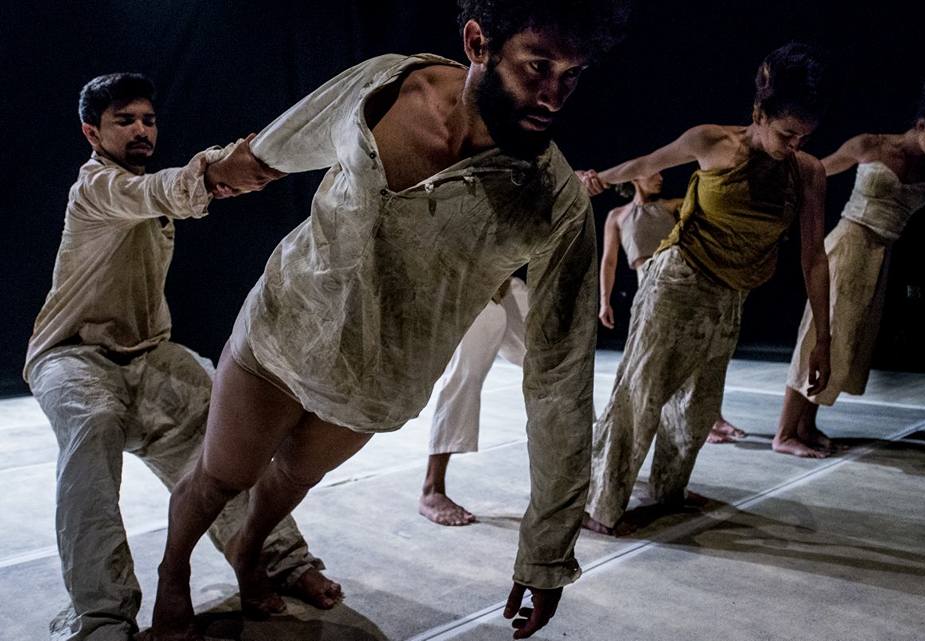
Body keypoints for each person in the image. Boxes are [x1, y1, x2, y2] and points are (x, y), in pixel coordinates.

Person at [146, 2, 631, 639]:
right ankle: (173, 572)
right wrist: (173, 188)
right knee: (220, 476)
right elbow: (264, 155)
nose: (553, 96)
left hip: (376, 378)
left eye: (572, 75)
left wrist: (547, 549)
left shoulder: (553, 200)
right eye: (537, 67)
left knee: (292, 479)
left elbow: (560, 378)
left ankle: (250, 553)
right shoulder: (383, 87)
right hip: (286, 327)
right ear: (478, 43)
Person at [24, 74, 341, 641]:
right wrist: (215, 172)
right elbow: (155, 191)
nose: (141, 130)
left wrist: (229, 174)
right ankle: (102, 616)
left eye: (148, 120)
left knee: (222, 430)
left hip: (150, 355)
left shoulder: (147, 190)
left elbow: (162, 192)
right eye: (125, 120)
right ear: (91, 132)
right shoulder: (95, 188)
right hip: (72, 356)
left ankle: (281, 560)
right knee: (93, 427)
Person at [578, 43, 832, 535]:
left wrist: (823, 337)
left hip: (730, 295)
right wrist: (596, 179)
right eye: (787, 133)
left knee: (697, 409)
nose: (795, 144)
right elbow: (646, 161)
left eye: (804, 136)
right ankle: (599, 503)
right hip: (678, 280)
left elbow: (814, 256)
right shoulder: (713, 141)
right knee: (640, 394)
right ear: (760, 113)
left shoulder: (807, 172)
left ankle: (668, 491)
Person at [775, 71, 925, 457]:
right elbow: (813, 171)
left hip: (879, 258)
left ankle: (806, 426)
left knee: (843, 344)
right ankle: (785, 433)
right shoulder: (871, 145)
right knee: (818, 335)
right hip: (847, 246)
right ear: (921, 126)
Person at [597, 173, 746, 444]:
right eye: (653, 172)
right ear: (634, 177)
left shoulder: (671, 206)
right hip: (647, 288)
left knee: (697, 354)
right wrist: (604, 301)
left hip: (680, 282)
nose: (660, 177)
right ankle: (658, 421)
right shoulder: (617, 216)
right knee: (657, 359)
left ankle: (712, 418)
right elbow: (609, 261)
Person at [419, 277, 529, 526]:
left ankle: (579, 489)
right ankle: (432, 489)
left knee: (558, 362)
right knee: (465, 373)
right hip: (471, 280)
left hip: (506, 280)